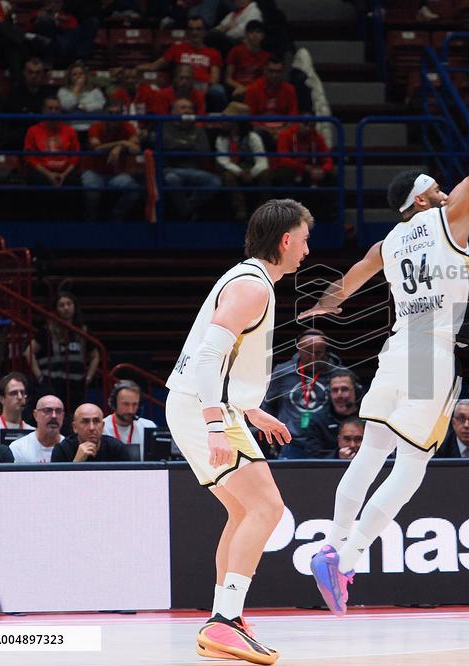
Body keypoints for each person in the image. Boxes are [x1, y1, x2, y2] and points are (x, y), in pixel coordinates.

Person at [299, 26, 469, 617]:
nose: (447, 185)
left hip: (396, 350)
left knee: (371, 449)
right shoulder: (450, 217)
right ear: (425, 197)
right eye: (437, 184)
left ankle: (330, 543)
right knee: (413, 464)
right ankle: (347, 560)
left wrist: (320, 304)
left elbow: (348, 280)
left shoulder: (389, 241)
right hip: (431, 353)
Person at [165, 199, 311, 664]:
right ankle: (224, 622)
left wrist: (249, 409)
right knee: (268, 510)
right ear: (286, 240)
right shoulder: (252, 286)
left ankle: (224, 617)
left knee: (243, 512)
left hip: (208, 406)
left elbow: (225, 363)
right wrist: (215, 425)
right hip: (200, 409)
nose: (307, 250)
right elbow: (209, 358)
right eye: (305, 240)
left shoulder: (249, 278)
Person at [25, 291, 99, 411]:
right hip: (53, 384)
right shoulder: (47, 331)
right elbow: (28, 352)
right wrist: (39, 377)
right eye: (62, 305)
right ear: (56, 309)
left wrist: (89, 377)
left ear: (74, 306)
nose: (66, 308)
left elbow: (95, 356)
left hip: (76, 385)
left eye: (69, 304)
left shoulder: (82, 330)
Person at [161, 97, 221, 221]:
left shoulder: (198, 130)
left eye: (190, 108)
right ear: (173, 111)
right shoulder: (164, 127)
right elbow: (168, 147)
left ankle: (186, 209)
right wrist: (191, 146)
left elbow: (204, 151)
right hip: (170, 169)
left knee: (214, 182)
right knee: (171, 179)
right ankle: (186, 212)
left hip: (194, 170)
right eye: (183, 108)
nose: (187, 111)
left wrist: (179, 147)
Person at [82, 97, 141, 221]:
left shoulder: (127, 126)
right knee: (92, 192)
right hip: (94, 171)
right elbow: (96, 148)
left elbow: (136, 149)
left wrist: (120, 146)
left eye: (117, 113)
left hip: (116, 173)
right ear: (105, 114)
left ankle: (115, 219)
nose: (114, 116)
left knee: (134, 190)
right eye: (110, 113)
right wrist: (122, 143)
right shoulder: (96, 127)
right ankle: (91, 222)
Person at [285, 369, 360, 459]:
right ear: (329, 393)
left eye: (344, 389)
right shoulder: (316, 421)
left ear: (356, 391)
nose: (339, 395)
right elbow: (312, 459)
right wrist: (337, 457)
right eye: (335, 390)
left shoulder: (369, 417)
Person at [215, 117, 272, 222]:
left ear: (235, 123)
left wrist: (252, 173)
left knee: (266, 174)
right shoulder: (222, 138)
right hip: (234, 168)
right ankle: (240, 210)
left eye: (226, 120)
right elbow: (223, 160)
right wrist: (239, 172)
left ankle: (262, 210)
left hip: (251, 167)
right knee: (228, 176)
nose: (222, 122)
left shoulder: (252, 137)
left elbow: (262, 161)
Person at [52, 403, 128, 462]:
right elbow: (59, 482)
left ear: (103, 426)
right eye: (85, 422)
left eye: (96, 421)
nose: (92, 428)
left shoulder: (116, 448)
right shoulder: (62, 450)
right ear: (75, 427)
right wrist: (77, 462)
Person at [102, 380, 157, 455]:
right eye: (125, 404)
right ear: (114, 404)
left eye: (134, 404)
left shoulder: (148, 426)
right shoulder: (102, 428)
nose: (130, 410)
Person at [9, 394, 65, 463]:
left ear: (63, 416)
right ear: (36, 415)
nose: (54, 416)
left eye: (58, 411)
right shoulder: (19, 448)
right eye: (48, 410)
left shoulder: (70, 448)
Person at [0, 372, 35, 445]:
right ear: (2, 399)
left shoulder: (33, 432)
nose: (20, 397)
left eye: (22, 392)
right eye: (14, 393)